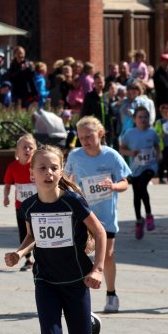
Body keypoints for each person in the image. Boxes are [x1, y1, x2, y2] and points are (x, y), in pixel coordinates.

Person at [4, 143, 106, 334]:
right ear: (32, 173)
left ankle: (89, 322)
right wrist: (19, 253)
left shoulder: (72, 202)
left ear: (61, 171)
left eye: (53, 167)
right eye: (42, 168)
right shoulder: (29, 206)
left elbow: (99, 231)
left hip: (76, 279)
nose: (48, 172)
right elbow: (32, 236)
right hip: (45, 280)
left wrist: (98, 269)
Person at [66, 116, 129, 314]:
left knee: (107, 255)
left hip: (106, 216)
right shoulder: (75, 156)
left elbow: (125, 182)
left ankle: (111, 294)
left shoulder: (112, 156)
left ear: (100, 133)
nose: (85, 141)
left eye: (89, 136)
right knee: (79, 255)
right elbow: (66, 178)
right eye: (81, 137)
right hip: (82, 216)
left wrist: (114, 186)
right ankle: (78, 297)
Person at [119, 105, 160, 239]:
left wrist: (159, 154)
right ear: (134, 119)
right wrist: (131, 153)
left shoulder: (152, 132)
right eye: (140, 117)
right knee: (137, 194)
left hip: (150, 166)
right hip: (136, 168)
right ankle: (138, 220)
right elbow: (121, 150)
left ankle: (148, 215)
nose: (143, 120)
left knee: (142, 186)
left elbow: (156, 145)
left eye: (145, 117)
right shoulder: (129, 133)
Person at [2, 132, 36, 272]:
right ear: (17, 150)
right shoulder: (13, 167)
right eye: (24, 147)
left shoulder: (37, 166)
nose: (27, 150)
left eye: (30, 147)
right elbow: (7, 184)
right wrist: (6, 197)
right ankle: (28, 259)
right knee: (24, 233)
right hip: (21, 207)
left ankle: (40, 257)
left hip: (37, 207)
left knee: (37, 232)